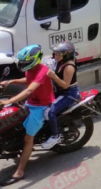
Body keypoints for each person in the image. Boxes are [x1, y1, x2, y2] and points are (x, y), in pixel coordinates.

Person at [0, 45, 55, 186]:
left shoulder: (42, 71)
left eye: (25, 62)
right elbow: (28, 79)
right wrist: (11, 81)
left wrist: (9, 100)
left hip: (41, 107)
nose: (22, 64)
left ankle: (20, 172)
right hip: (31, 103)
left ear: (34, 60)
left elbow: (30, 90)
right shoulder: (31, 69)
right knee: (12, 118)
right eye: (22, 62)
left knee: (28, 138)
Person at [41, 42, 80, 150]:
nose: (55, 56)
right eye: (55, 53)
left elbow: (65, 85)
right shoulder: (58, 60)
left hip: (69, 93)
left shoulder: (69, 67)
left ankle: (55, 136)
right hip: (58, 91)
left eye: (59, 54)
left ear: (66, 55)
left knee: (50, 112)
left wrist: (53, 76)